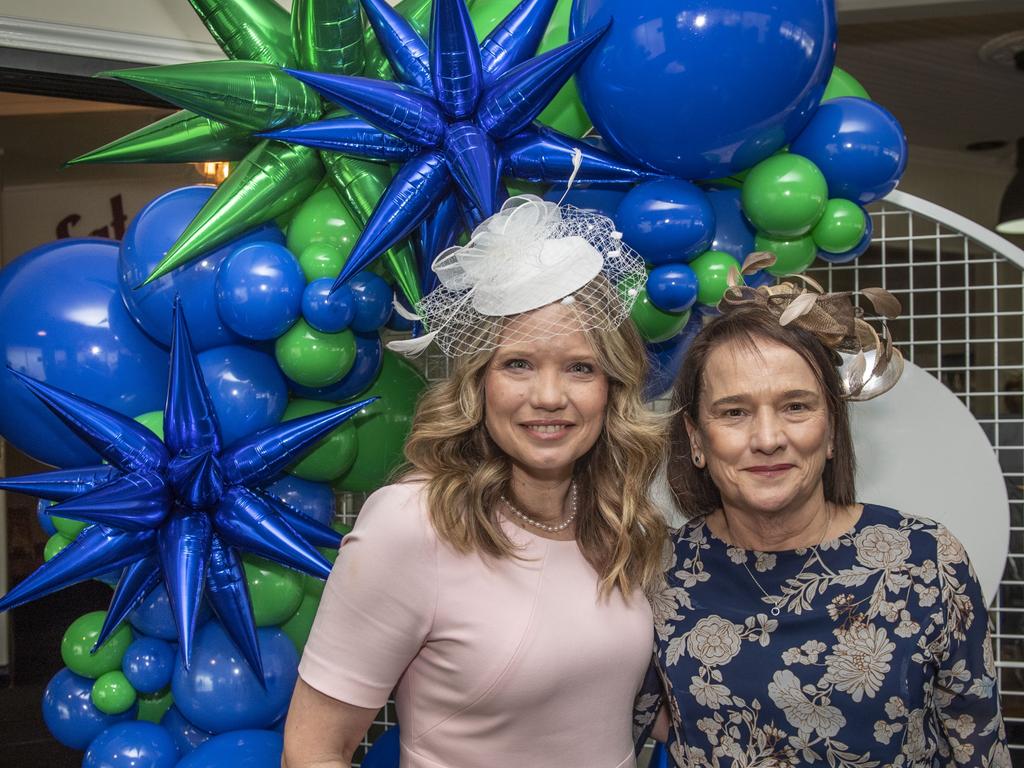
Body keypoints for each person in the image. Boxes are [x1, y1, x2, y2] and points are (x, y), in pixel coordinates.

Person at [282, 195, 668, 768]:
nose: (549, 397)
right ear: (478, 382)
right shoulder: (412, 524)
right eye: (518, 364)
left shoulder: (618, 518)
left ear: (611, 387)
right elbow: (313, 750)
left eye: (580, 367)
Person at [635, 277, 1011, 767]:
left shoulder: (926, 561)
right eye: (734, 412)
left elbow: (979, 746)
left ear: (832, 428)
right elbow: (599, 729)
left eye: (796, 406)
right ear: (697, 439)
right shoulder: (658, 572)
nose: (768, 438)